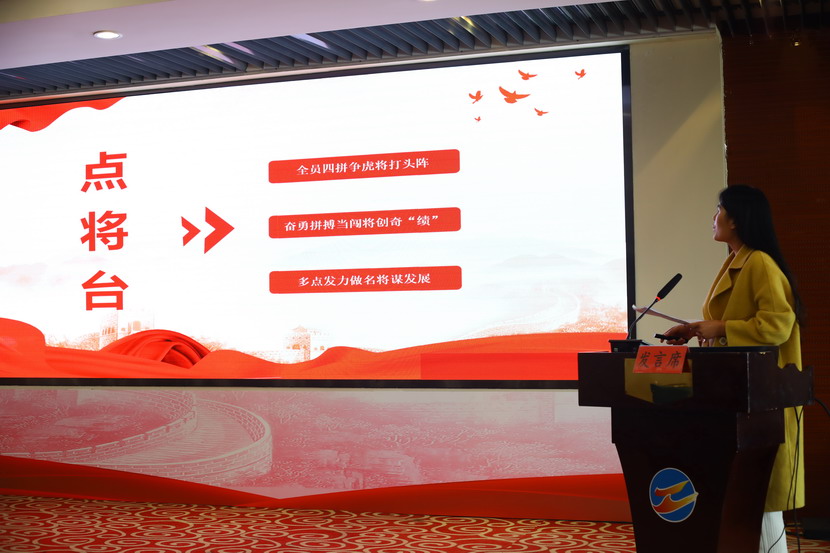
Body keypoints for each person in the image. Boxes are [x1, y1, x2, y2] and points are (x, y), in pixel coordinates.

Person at [661, 184, 804, 553]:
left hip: (762, 399)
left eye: (718, 210)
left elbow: (777, 326)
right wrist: (696, 328)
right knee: (748, 503)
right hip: (740, 397)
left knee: (759, 503)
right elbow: (733, 321)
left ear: (736, 219)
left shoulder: (760, 263)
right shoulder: (739, 259)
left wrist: (721, 328)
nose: (713, 218)